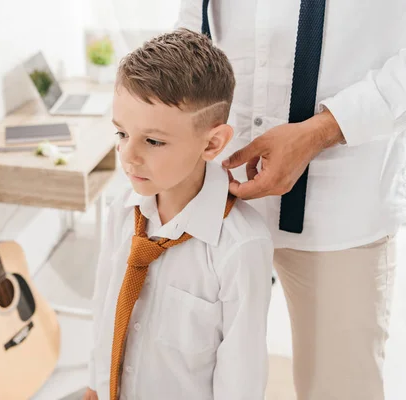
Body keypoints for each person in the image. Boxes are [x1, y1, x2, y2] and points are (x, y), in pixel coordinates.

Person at [174, 1, 406, 399]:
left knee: (338, 388)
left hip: (339, 207)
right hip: (213, 193)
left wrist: (324, 129)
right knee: (189, 374)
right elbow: (189, 29)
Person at [83, 29, 274, 400]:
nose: (128, 155)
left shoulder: (239, 247)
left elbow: (242, 372)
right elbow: (105, 304)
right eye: (122, 133)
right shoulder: (122, 212)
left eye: (153, 141)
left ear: (213, 142)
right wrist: (95, 382)